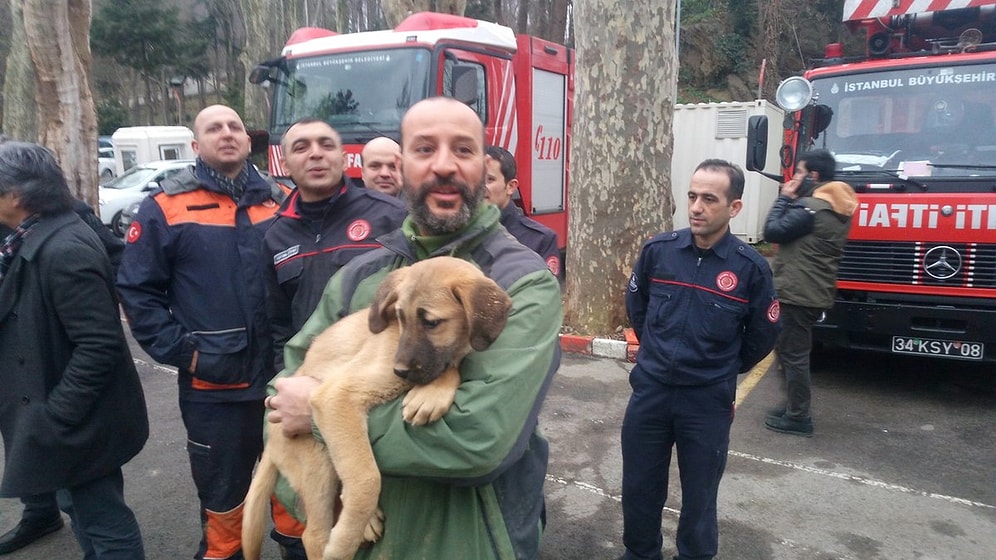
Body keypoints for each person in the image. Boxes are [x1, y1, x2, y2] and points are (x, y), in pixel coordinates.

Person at [265, 96, 563, 559]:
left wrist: (325, 421)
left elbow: (479, 440)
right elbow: (284, 399)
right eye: (424, 149)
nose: (444, 165)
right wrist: (329, 494)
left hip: (469, 543)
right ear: (401, 164)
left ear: (484, 167)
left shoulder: (520, 283)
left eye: (462, 150)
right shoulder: (360, 276)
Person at [116, 104, 290, 560]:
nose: (227, 134)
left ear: (249, 140)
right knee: (224, 511)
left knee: (297, 505)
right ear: (196, 145)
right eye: (214, 128)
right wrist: (187, 354)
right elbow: (138, 292)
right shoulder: (165, 207)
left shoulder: (279, 200)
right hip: (216, 388)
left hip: (282, 383)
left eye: (235, 126)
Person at [621, 159, 781, 560]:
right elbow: (637, 306)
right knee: (639, 486)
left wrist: (721, 369)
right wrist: (657, 354)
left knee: (700, 495)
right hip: (651, 392)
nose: (696, 207)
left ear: (734, 208)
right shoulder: (659, 252)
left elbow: (762, 334)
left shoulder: (750, 269)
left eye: (709, 199)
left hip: (706, 402)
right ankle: (640, 553)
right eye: (692, 196)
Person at [0, 141, 148, 559]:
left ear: (16, 195)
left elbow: (98, 345)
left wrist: (55, 417)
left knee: (103, 519)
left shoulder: (63, 248)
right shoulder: (28, 238)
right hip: (62, 417)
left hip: (77, 422)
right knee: (80, 509)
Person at [264, 119, 405, 370]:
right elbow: (277, 325)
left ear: (342, 159)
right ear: (285, 165)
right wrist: (286, 376)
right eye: (301, 147)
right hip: (310, 375)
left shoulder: (392, 216)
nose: (316, 154)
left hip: (380, 369)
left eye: (326, 145)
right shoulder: (275, 236)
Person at [762, 149, 856, 437]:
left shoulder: (811, 208)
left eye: (799, 172)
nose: (794, 177)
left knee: (794, 354)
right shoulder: (835, 207)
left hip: (798, 292)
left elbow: (772, 231)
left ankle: (798, 416)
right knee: (790, 351)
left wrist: (784, 198)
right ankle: (791, 405)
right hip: (810, 291)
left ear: (813, 176)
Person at [484, 145, 562, 277]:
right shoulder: (457, 233)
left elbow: (544, 294)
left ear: (511, 187)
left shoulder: (539, 240)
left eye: (489, 180)